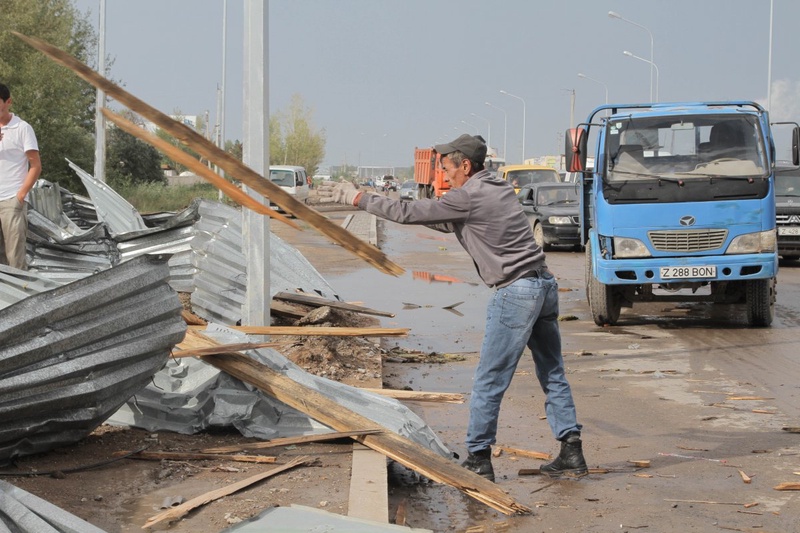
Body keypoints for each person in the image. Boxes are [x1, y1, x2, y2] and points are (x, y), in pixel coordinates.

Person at [319, 134, 587, 481]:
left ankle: (478, 457)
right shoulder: (498, 187)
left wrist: (358, 198)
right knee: (552, 371)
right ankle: (571, 450)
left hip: (516, 292)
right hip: (543, 284)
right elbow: (445, 220)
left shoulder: (469, 196)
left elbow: (409, 212)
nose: (444, 176)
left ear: (466, 166)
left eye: (447, 169)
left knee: (490, 378)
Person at [0, 83, 41, 270]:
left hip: (12, 200)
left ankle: (19, 289)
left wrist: (21, 195)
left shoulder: (22, 128)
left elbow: (35, 165)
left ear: (8, 102)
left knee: (14, 258)